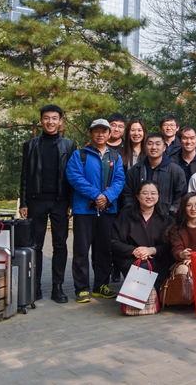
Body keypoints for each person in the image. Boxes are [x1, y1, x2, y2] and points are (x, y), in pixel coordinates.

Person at [19, 104, 77, 303]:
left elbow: (73, 176)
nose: (50, 122)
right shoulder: (30, 145)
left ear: (60, 121)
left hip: (61, 201)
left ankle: (57, 287)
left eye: (54, 118)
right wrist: (23, 202)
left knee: (60, 245)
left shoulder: (69, 146)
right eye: (46, 118)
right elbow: (25, 175)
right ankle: (35, 286)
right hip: (36, 201)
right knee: (35, 245)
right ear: (41, 120)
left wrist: (71, 202)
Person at [66, 118, 125, 303]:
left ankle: (101, 285)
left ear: (109, 134)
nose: (100, 134)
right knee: (81, 251)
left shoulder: (115, 156)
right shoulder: (80, 155)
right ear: (90, 133)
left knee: (104, 250)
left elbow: (120, 180)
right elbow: (74, 177)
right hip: (84, 211)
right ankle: (82, 288)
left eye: (104, 131)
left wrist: (107, 197)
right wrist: (96, 195)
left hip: (107, 210)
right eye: (96, 131)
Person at [110, 181, 173, 293]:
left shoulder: (165, 219)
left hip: (158, 260)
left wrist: (152, 250)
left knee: (157, 290)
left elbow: (170, 245)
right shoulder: (126, 216)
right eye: (145, 193)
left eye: (153, 193)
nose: (149, 196)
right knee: (143, 273)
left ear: (158, 196)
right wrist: (134, 251)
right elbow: (114, 242)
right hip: (132, 260)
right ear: (137, 196)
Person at [122, 134, 187, 215]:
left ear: (164, 148)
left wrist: (171, 215)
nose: (153, 147)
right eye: (150, 144)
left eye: (158, 144)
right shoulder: (135, 170)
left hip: (166, 217)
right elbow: (127, 194)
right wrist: (133, 212)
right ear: (145, 147)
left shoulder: (176, 171)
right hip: (138, 217)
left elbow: (181, 196)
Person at [171, 126, 196, 191]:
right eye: (185, 138)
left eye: (192, 138)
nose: (189, 141)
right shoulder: (171, 161)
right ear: (180, 141)